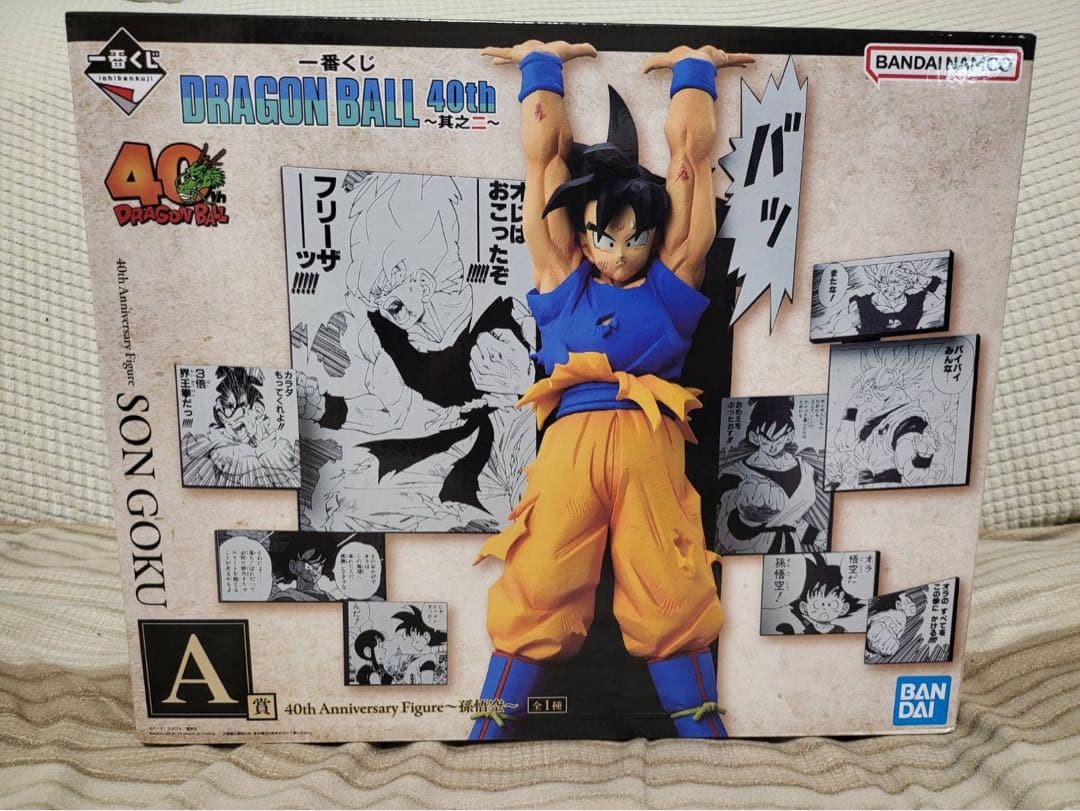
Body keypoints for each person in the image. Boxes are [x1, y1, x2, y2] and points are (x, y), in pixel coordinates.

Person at [469, 39, 752, 740]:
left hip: (648, 443)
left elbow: (690, 166)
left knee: (670, 586)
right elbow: (542, 165)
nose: (619, 253)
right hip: (570, 445)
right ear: (585, 232)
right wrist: (540, 66)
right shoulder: (563, 283)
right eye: (604, 237)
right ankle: (485, 729)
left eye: (634, 239)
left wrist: (695, 72)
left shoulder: (670, 285)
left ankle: (705, 736)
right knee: (537, 580)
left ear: (651, 236)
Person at [716, 397, 824, 554]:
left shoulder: (807, 471)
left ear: (789, 435)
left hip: (792, 552)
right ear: (754, 437)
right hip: (754, 550)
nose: (773, 446)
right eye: (766, 440)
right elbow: (726, 533)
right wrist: (748, 519)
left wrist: (817, 537)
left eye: (778, 439)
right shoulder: (735, 474)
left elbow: (791, 520)